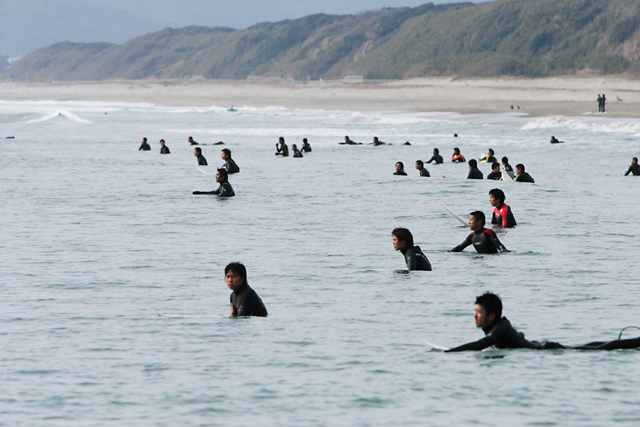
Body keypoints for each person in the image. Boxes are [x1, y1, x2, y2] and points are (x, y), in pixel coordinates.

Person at [445, 292, 640, 352]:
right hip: (543, 346)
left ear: (491, 316)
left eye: (478, 312)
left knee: (601, 349)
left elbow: (481, 345)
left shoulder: (499, 329)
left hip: (545, 350)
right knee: (592, 346)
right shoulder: (500, 325)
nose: (474, 316)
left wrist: (450, 351)